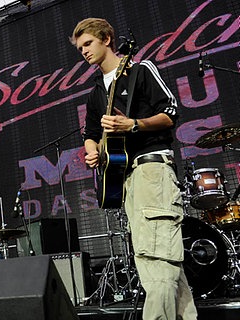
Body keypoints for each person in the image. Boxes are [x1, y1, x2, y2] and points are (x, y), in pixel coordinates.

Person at [71, 18, 197, 319]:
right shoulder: (95, 94)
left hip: (152, 170)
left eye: (88, 43)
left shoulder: (140, 70)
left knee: (157, 261)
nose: (84, 52)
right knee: (156, 259)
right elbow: (90, 134)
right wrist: (93, 153)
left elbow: (170, 112)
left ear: (107, 39)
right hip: (126, 180)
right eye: (80, 48)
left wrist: (134, 124)